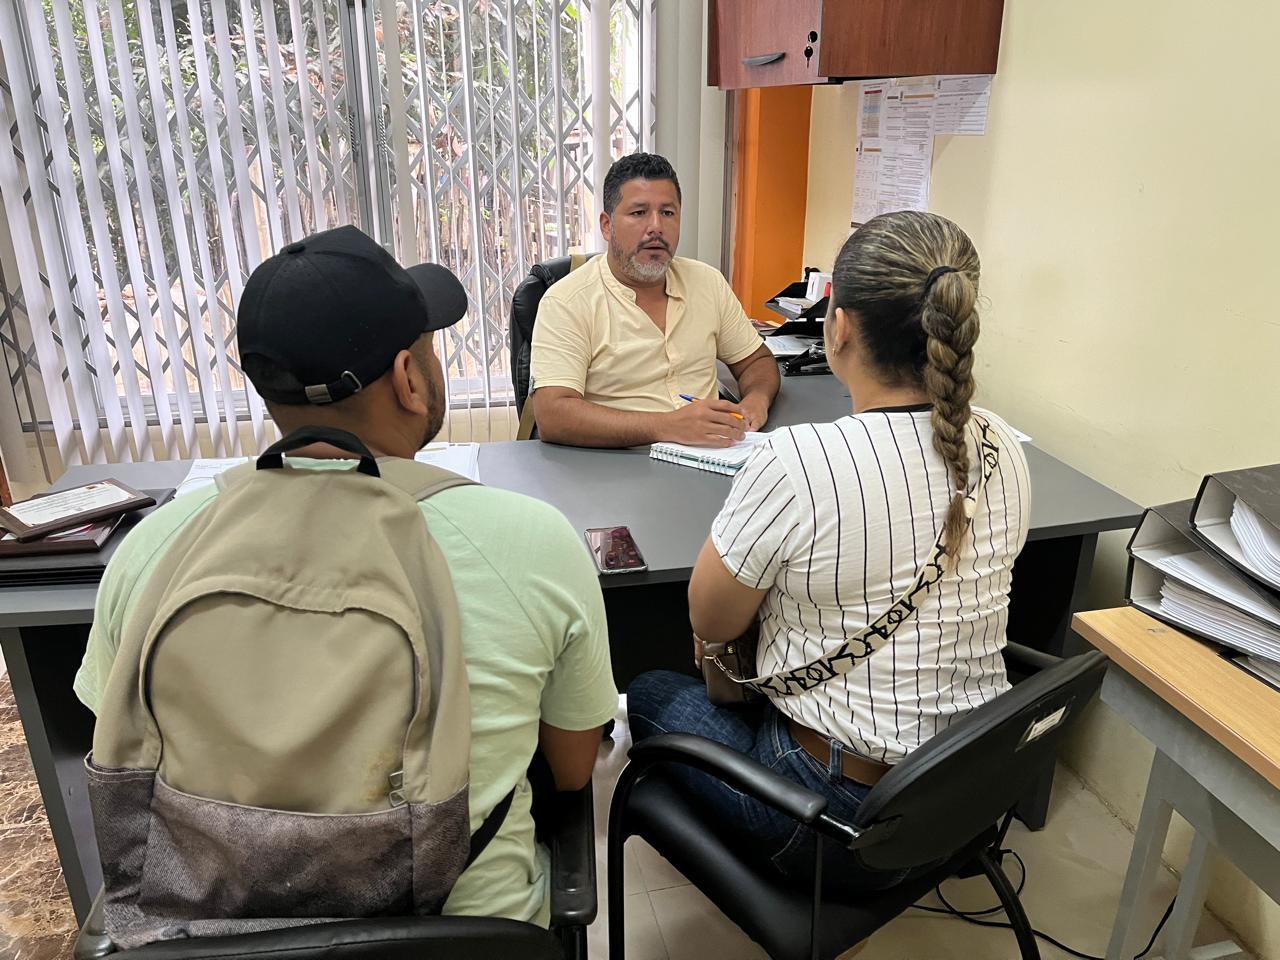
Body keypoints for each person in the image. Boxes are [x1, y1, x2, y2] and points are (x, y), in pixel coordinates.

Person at [74, 225, 619, 926]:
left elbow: (118, 752)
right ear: (409, 379)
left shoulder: (153, 551)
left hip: (217, 937)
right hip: (466, 937)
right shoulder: (532, 541)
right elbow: (571, 772)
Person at [627, 211, 1032, 884]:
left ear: (837, 326)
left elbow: (710, 621)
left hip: (836, 820)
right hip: (963, 795)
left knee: (649, 692)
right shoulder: (1000, 445)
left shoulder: (796, 460)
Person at [530, 152, 779, 448]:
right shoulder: (567, 301)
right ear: (607, 226)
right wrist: (668, 426)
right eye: (639, 213)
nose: (656, 227)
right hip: (619, 463)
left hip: (714, 458)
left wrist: (756, 401)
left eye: (668, 213)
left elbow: (757, 361)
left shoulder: (707, 282)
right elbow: (553, 415)